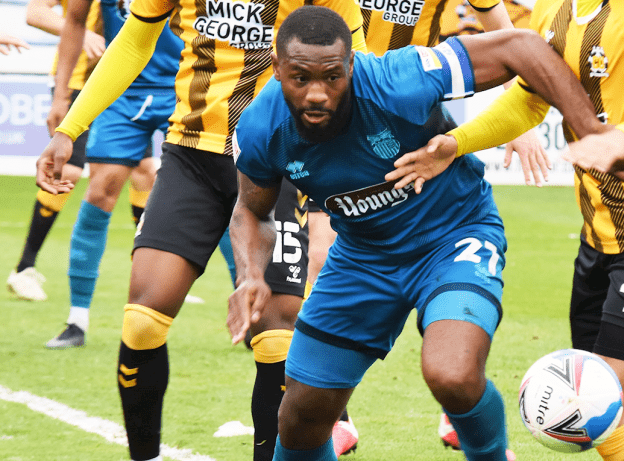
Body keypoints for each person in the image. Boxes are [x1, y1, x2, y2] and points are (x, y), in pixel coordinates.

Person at [226, 6, 624, 461]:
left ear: (351, 65)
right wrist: (251, 274)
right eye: (299, 78)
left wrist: (587, 127)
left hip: (453, 235)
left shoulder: (397, 80)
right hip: (362, 257)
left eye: (331, 77)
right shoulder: (261, 126)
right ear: (276, 70)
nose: (316, 94)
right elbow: (251, 210)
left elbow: (522, 46)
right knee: (301, 415)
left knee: (452, 374)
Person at [388, 1, 624, 460]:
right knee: (607, 401)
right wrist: (456, 144)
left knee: (605, 409)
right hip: (600, 236)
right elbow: (530, 97)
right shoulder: (553, 8)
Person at [33, 0, 365, 459]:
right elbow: (133, 41)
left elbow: (356, 64)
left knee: (275, 338)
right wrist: (71, 126)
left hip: (282, 160)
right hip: (192, 153)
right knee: (142, 320)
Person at [312, 0, 549, 454]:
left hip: (409, 116)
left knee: (441, 268)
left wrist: (519, 103)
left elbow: (501, 27)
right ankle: (336, 416)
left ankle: (457, 397)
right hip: (336, 120)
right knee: (320, 252)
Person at [42, 0, 183, 349]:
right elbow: (75, 20)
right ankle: (77, 320)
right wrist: (62, 96)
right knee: (100, 190)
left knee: (218, 189)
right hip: (122, 91)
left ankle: (253, 316)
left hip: (187, 85)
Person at [7, 0, 154, 303]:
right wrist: (83, 33)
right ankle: (24, 268)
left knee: (144, 173)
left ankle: (149, 275)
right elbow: (35, 12)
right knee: (69, 170)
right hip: (81, 84)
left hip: (129, 88)